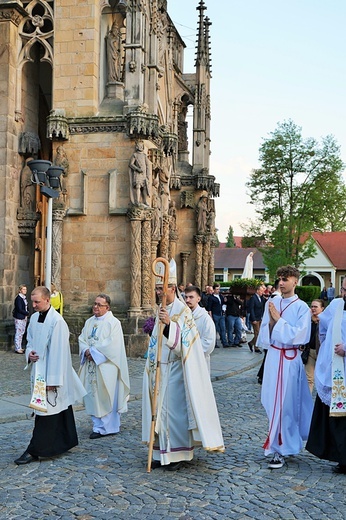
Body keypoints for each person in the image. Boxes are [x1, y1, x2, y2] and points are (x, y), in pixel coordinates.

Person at [142, 260, 224, 470]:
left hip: (177, 369)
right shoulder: (160, 308)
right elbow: (154, 341)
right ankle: (162, 453)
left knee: (173, 414)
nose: (159, 292)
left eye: (162, 288)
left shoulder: (182, 311)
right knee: (159, 413)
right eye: (157, 288)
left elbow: (186, 344)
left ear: (171, 288)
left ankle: (178, 455)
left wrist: (169, 324)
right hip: (159, 368)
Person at [14, 286, 86, 465]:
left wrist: (53, 381)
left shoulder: (57, 322)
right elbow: (29, 341)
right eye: (32, 301)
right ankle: (66, 440)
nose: (34, 305)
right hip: (38, 371)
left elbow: (60, 353)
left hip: (52, 373)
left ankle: (35, 450)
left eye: (37, 301)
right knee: (58, 409)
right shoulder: (36, 318)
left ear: (47, 300)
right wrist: (28, 354)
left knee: (46, 411)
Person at [258, 266, 313, 469]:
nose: (281, 283)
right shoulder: (272, 302)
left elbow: (301, 336)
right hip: (274, 356)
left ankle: (281, 448)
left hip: (290, 360)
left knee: (287, 405)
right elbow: (265, 333)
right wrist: (272, 323)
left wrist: (279, 320)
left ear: (295, 282)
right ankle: (277, 443)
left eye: (286, 279)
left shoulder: (302, 308)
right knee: (272, 403)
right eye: (279, 279)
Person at [306, 281, 346, 474]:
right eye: (344, 289)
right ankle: (342, 458)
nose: (345, 293)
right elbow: (323, 322)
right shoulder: (337, 305)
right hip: (337, 371)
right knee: (338, 417)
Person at [78, 294, 130, 439]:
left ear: (107, 307)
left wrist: (93, 352)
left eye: (99, 305)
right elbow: (82, 338)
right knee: (93, 395)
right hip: (92, 365)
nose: (95, 307)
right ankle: (97, 426)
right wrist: (86, 351)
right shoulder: (89, 322)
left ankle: (108, 427)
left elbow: (113, 344)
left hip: (107, 367)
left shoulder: (113, 323)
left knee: (106, 394)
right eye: (94, 304)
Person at [185, 285, 216, 373]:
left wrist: (187, 350)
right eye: (186, 297)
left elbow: (208, 343)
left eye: (191, 297)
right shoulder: (184, 316)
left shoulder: (205, 319)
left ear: (198, 299)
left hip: (198, 361)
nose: (187, 300)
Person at [257, 279, 280, 384]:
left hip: (267, 328)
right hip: (270, 328)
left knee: (268, 355)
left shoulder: (272, 297)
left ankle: (262, 374)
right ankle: (262, 375)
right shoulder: (277, 298)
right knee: (269, 355)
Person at [301, 299, 324, 393]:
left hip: (321, 353)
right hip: (310, 352)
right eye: (312, 306)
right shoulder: (307, 320)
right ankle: (307, 402)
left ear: (322, 308)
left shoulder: (325, 321)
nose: (313, 308)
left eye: (316, 306)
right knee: (308, 378)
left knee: (321, 379)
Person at [129, 141, 152, 207]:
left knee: (144, 187)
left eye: (142, 146)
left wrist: (148, 175)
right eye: (139, 146)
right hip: (138, 173)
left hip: (144, 174)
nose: (141, 147)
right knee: (138, 186)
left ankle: (145, 201)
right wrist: (137, 169)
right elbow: (131, 164)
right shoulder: (135, 155)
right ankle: (137, 201)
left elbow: (148, 165)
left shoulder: (144, 155)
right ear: (137, 147)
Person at [207, 283, 228, 348]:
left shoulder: (221, 296)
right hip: (215, 314)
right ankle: (214, 343)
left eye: (219, 289)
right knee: (215, 329)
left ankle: (224, 342)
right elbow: (209, 308)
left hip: (221, 314)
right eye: (217, 289)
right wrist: (211, 316)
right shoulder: (211, 297)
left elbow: (223, 304)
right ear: (214, 290)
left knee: (223, 329)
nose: (218, 290)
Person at [248, 284, 265, 353]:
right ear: (257, 291)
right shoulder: (253, 298)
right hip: (255, 318)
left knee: (259, 333)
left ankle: (251, 343)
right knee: (257, 333)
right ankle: (256, 347)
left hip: (259, 317)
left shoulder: (261, 298)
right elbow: (251, 309)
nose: (262, 292)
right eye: (261, 291)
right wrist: (253, 319)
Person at [13, 284, 29, 354]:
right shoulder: (18, 298)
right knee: (18, 332)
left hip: (23, 316)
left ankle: (20, 347)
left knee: (22, 332)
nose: (25, 291)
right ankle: (17, 348)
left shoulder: (23, 298)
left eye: (25, 289)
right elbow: (19, 309)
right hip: (19, 317)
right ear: (20, 290)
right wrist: (26, 313)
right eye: (23, 289)